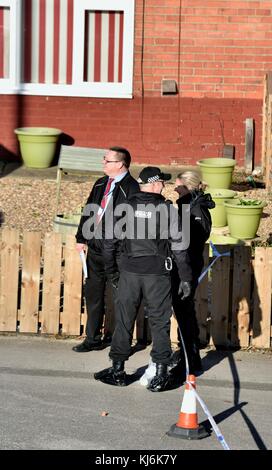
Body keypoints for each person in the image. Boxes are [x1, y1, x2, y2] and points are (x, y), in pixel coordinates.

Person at [94, 166, 193, 391]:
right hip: (157, 274)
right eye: (162, 183)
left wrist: (112, 272)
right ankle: (160, 374)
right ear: (156, 184)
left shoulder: (124, 207)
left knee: (124, 319)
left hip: (129, 272)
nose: (164, 186)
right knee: (159, 322)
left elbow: (108, 243)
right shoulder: (167, 210)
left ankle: (117, 370)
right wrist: (186, 277)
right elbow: (179, 247)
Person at [72, 147, 139, 353]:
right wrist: (82, 237)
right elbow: (89, 209)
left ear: (120, 164)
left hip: (117, 252)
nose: (103, 163)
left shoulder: (131, 187)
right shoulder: (101, 183)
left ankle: (119, 343)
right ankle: (92, 338)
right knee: (93, 293)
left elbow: (131, 222)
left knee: (121, 298)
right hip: (95, 248)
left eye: (107, 160)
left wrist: (120, 247)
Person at [171, 170, 215, 374]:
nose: (174, 188)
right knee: (182, 310)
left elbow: (196, 239)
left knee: (184, 310)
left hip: (187, 266)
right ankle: (186, 351)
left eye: (178, 185)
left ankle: (191, 359)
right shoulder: (186, 205)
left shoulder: (196, 209)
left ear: (188, 187)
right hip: (183, 263)